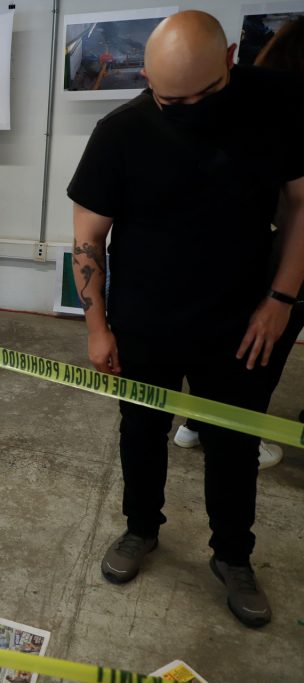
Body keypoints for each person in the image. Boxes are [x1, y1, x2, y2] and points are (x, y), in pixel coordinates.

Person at [68, 10, 304, 627]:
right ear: (146, 75)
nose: (192, 108)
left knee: (235, 443)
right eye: (175, 99)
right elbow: (89, 237)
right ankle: (141, 529)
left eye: (206, 93)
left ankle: (234, 556)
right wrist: (97, 328)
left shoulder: (277, 103)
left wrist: (281, 300)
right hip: (145, 320)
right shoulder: (120, 132)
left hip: (244, 320)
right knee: (141, 431)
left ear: (231, 58)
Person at [172, 16, 304, 466]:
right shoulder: (281, 106)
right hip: (270, 250)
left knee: (241, 343)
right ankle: (223, 429)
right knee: (259, 347)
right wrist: (283, 296)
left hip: (258, 246)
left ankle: (199, 421)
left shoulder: (258, 98)